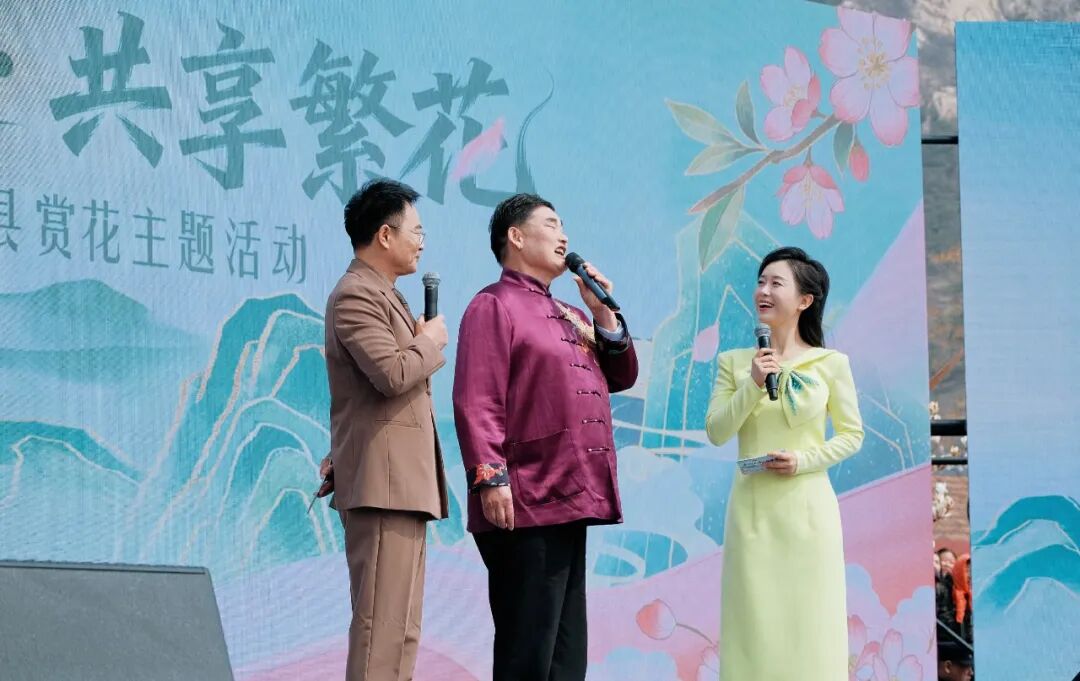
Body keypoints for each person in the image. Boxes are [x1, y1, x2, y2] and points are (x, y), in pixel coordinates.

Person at [453, 193, 638, 681]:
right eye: (552, 224)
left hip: (570, 496)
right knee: (527, 654)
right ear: (516, 237)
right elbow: (477, 398)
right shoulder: (493, 304)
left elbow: (621, 376)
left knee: (565, 657)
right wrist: (491, 479)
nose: (564, 236)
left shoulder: (568, 313)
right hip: (525, 498)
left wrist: (602, 314)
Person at [705, 246, 864, 680]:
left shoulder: (831, 364)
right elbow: (717, 430)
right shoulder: (734, 363)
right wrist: (754, 383)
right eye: (760, 282)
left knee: (810, 624)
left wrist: (803, 460)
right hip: (752, 512)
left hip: (809, 511)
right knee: (753, 625)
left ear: (804, 300)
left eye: (776, 283)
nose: (764, 291)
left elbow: (851, 434)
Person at [322, 179, 450, 681]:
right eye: (416, 231)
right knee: (381, 632)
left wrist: (420, 342)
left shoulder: (385, 295)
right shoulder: (356, 294)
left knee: (401, 632)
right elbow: (392, 374)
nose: (422, 242)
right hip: (384, 486)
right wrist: (430, 342)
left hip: (402, 486)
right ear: (384, 234)